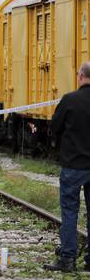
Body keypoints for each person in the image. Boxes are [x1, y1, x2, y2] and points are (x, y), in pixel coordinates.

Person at [45, 62, 90, 273]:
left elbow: (55, 126)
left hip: (74, 166)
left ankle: (68, 258)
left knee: (70, 211)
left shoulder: (70, 100)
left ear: (80, 76)